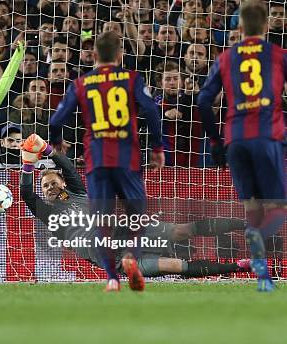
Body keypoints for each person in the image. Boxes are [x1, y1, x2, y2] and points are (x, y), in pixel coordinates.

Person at [19, 138, 251, 281]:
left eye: (53, 182)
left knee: (182, 231)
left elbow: (67, 165)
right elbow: (27, 194)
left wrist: (45, 148)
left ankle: (246, 225)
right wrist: (27, 164)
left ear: (63, 184)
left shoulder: (77, 193)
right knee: (175, 266)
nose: (49, 187)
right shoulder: (49, 214)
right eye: (45, 186)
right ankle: (238, 266)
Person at [47, 31, 164, 292]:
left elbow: (56, 120)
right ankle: (131, 255)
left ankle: (112, 278)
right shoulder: (132, 78)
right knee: (137, 215)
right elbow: (152, 112)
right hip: (128, 158)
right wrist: (157, 147)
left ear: (95, 56)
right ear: (120, 55)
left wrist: (57, 143)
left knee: (102, 221)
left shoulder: (81, 83)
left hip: (97, 160)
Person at [197, 1, 286, 292]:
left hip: (235, 139)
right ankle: (256, 235)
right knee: (279, 207)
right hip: (267, 136)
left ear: (240, 26)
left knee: (252, 204)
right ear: (265, 26)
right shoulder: (278, 54)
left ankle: (263, 277)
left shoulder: (226, 57)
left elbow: (202, 101)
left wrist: (214, 141)